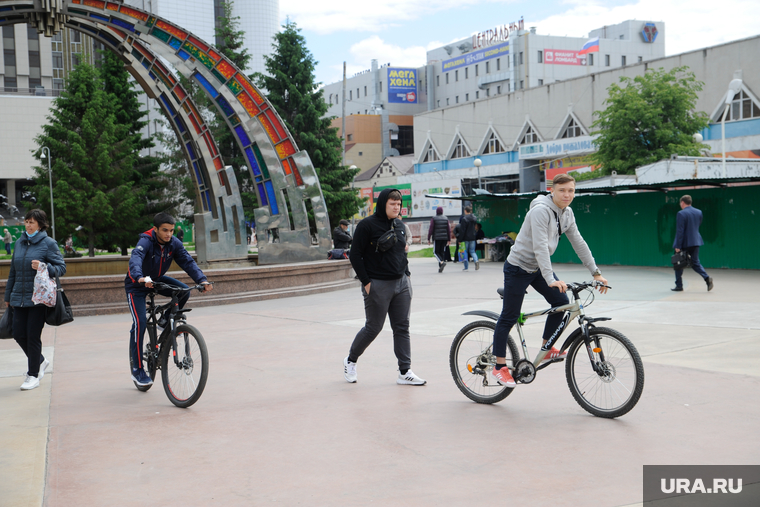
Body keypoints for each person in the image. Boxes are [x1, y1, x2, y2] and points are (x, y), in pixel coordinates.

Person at [491, 174, 608, 387]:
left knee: (561, 303)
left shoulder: (567, 213)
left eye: (571, 190)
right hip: (518, 267)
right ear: (552, 190)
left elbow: (578, 242)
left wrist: (596, 272)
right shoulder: (540, 211)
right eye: (562, 190)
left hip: (537, 268)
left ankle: (546, 348)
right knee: (510, 316)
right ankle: (499, 366)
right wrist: (550, 278)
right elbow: (540, 247)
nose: (567, 195)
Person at [343, 188, 425, 386]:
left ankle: (404, 371)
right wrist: (367, 282)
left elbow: (400, 253)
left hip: (401, 284)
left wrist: (406, 275)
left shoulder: (399, 225)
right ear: (383, 204)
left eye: (399, 204)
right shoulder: (367, 225)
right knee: (373, 328)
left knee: (402, 327)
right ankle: (350, 360)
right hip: (377, 284)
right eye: (393, 204)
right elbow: (355, 255)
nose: (397, 208)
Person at [125, 213, 213, 387]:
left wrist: (201, 280)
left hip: (156, 280)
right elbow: (135, 259)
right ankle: (137, 370)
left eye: (171, 230)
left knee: (183, 292)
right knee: (140, 323)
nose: (168, 234)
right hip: (137, 284)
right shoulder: (146, 241)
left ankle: (165, 320)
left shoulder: (174, 243)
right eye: (164, 230)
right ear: (155, 229)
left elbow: (188, 262)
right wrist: (139, 277)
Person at [4, 210, 66, 391]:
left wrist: (44, 267)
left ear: (40, 224)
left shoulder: (48, 243)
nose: (28, 225)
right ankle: (40, 360)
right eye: (26, 221)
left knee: (32, 336)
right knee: (17, 333)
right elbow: (13, 272)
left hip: (39, 298)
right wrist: (8, 296)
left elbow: (61, 268)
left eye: (32, 222)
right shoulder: (19, 243)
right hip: (19, 296)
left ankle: (33, 375)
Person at [672, 195, 713, 292]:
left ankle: (679, 285)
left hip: (684, 243)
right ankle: (707, 278)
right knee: (695, 262)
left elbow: (680, 231)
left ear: (682, 202)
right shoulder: (699, 212)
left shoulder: (681, 214)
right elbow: (697, 225)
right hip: (695, 241)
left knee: (678, 263)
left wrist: (678, 246)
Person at [427, 206, 451, 273]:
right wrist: (449, 239)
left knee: (435, 252)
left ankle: (441, 262)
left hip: (437, 238)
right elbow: (448, 230)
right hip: (444, 238)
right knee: (441, 252)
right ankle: (440, 267)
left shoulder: (434, 218)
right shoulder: (446, 218)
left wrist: (428, 238)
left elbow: (431, 229)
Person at [459, 206, 479, 271]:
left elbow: (462, 230)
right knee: (472, 251)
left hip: (465, 238)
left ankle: (466, 267)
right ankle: (476, 261)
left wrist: (460, 239)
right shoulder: (474, 218)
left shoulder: (464, 219)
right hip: (473, 237)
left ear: (465, 211)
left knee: (465, 252)